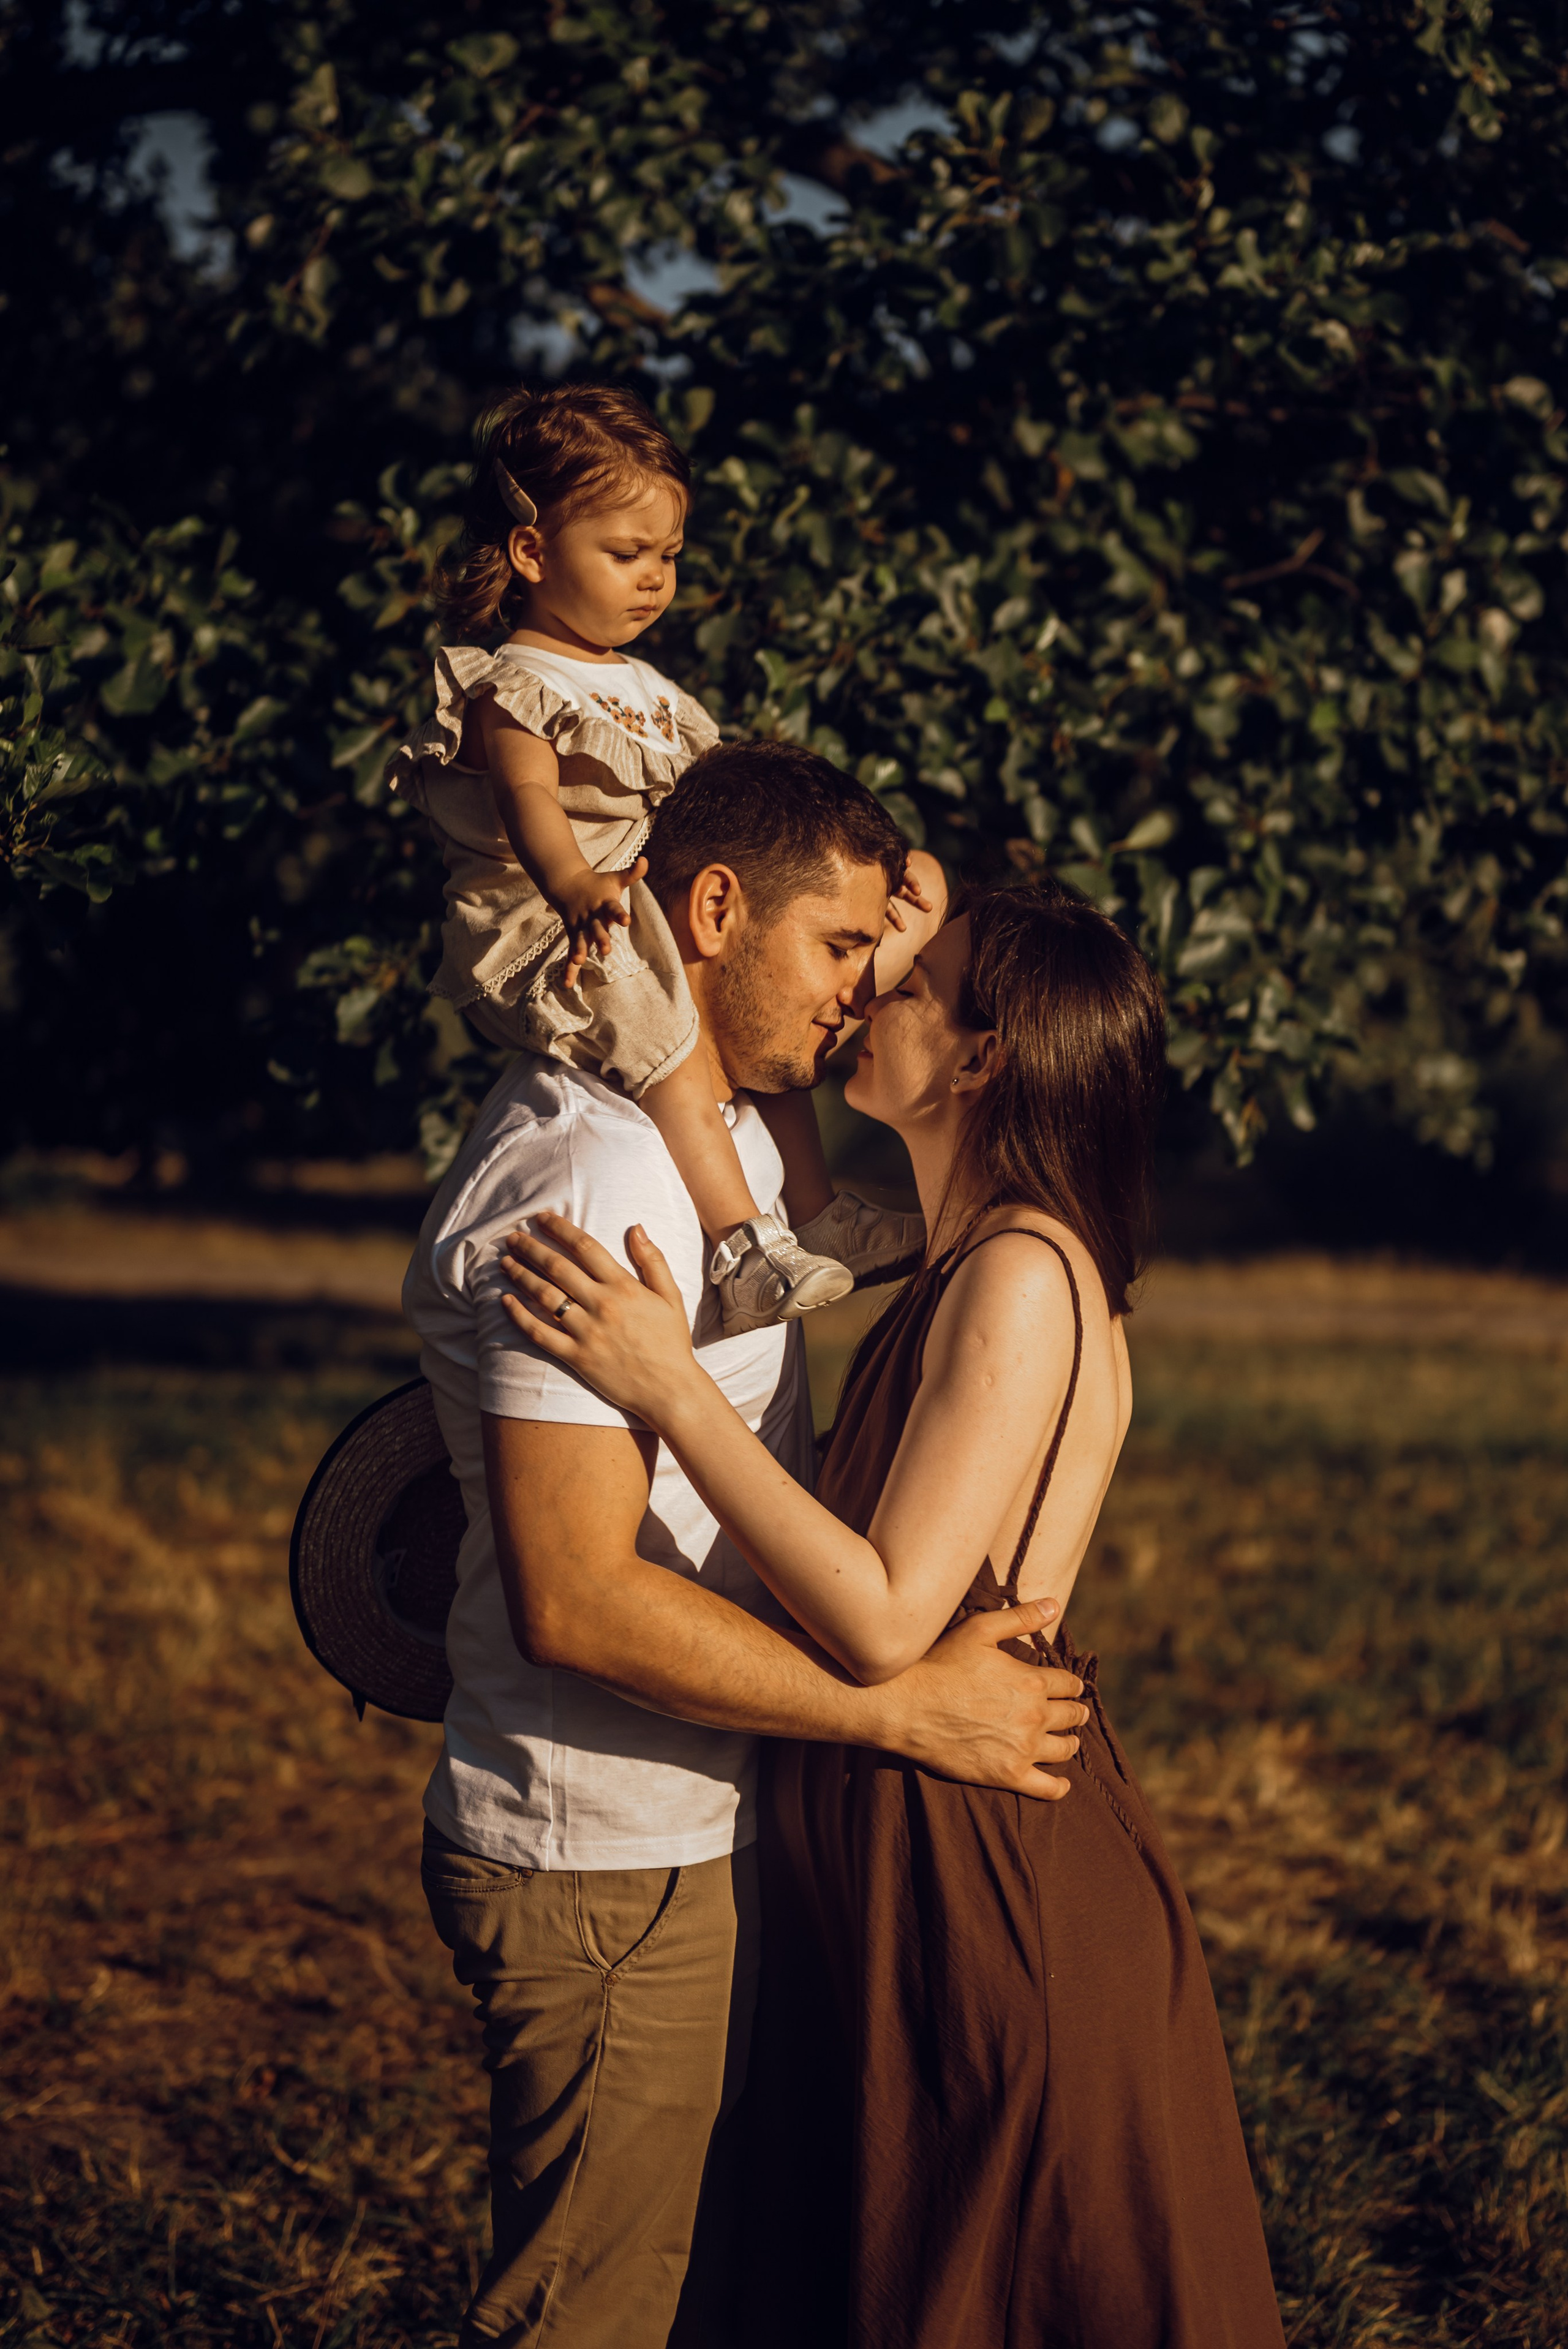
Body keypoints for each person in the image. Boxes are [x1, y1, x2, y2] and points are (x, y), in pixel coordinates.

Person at [501, 875, 1288, 2349]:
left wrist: (667, 1384)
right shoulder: (972, 1255)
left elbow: (883, 1620)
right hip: (916, 1844)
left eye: (909, 983)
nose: (869, 990)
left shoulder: (1019, 1274)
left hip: (978, 1868)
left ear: (983, 1058)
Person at [400, 741, 1093, 2349]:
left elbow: (948, 1097)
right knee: (590, 2314)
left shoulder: (734, 1140)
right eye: (839, 948)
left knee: (693, 2296)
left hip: (696, 1814)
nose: (865, 991)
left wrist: (905, 932)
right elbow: (579, 1600)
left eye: (877, 956)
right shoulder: (587, 1178)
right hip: (600, 1849)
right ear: (711, 911)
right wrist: (902, 1711)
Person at [388, 380, 926, 1331]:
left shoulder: (651, 692)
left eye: (669, 556)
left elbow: (719, 808)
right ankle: (741, 1246)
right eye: (626, 553)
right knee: (664, 1021)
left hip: (635, 903)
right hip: (549, 926)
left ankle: (816, 1213)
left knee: (768, 1022)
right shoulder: (515, 683)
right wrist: (573, 884)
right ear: (532, 553)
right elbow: (528, 802)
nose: (654, 578)